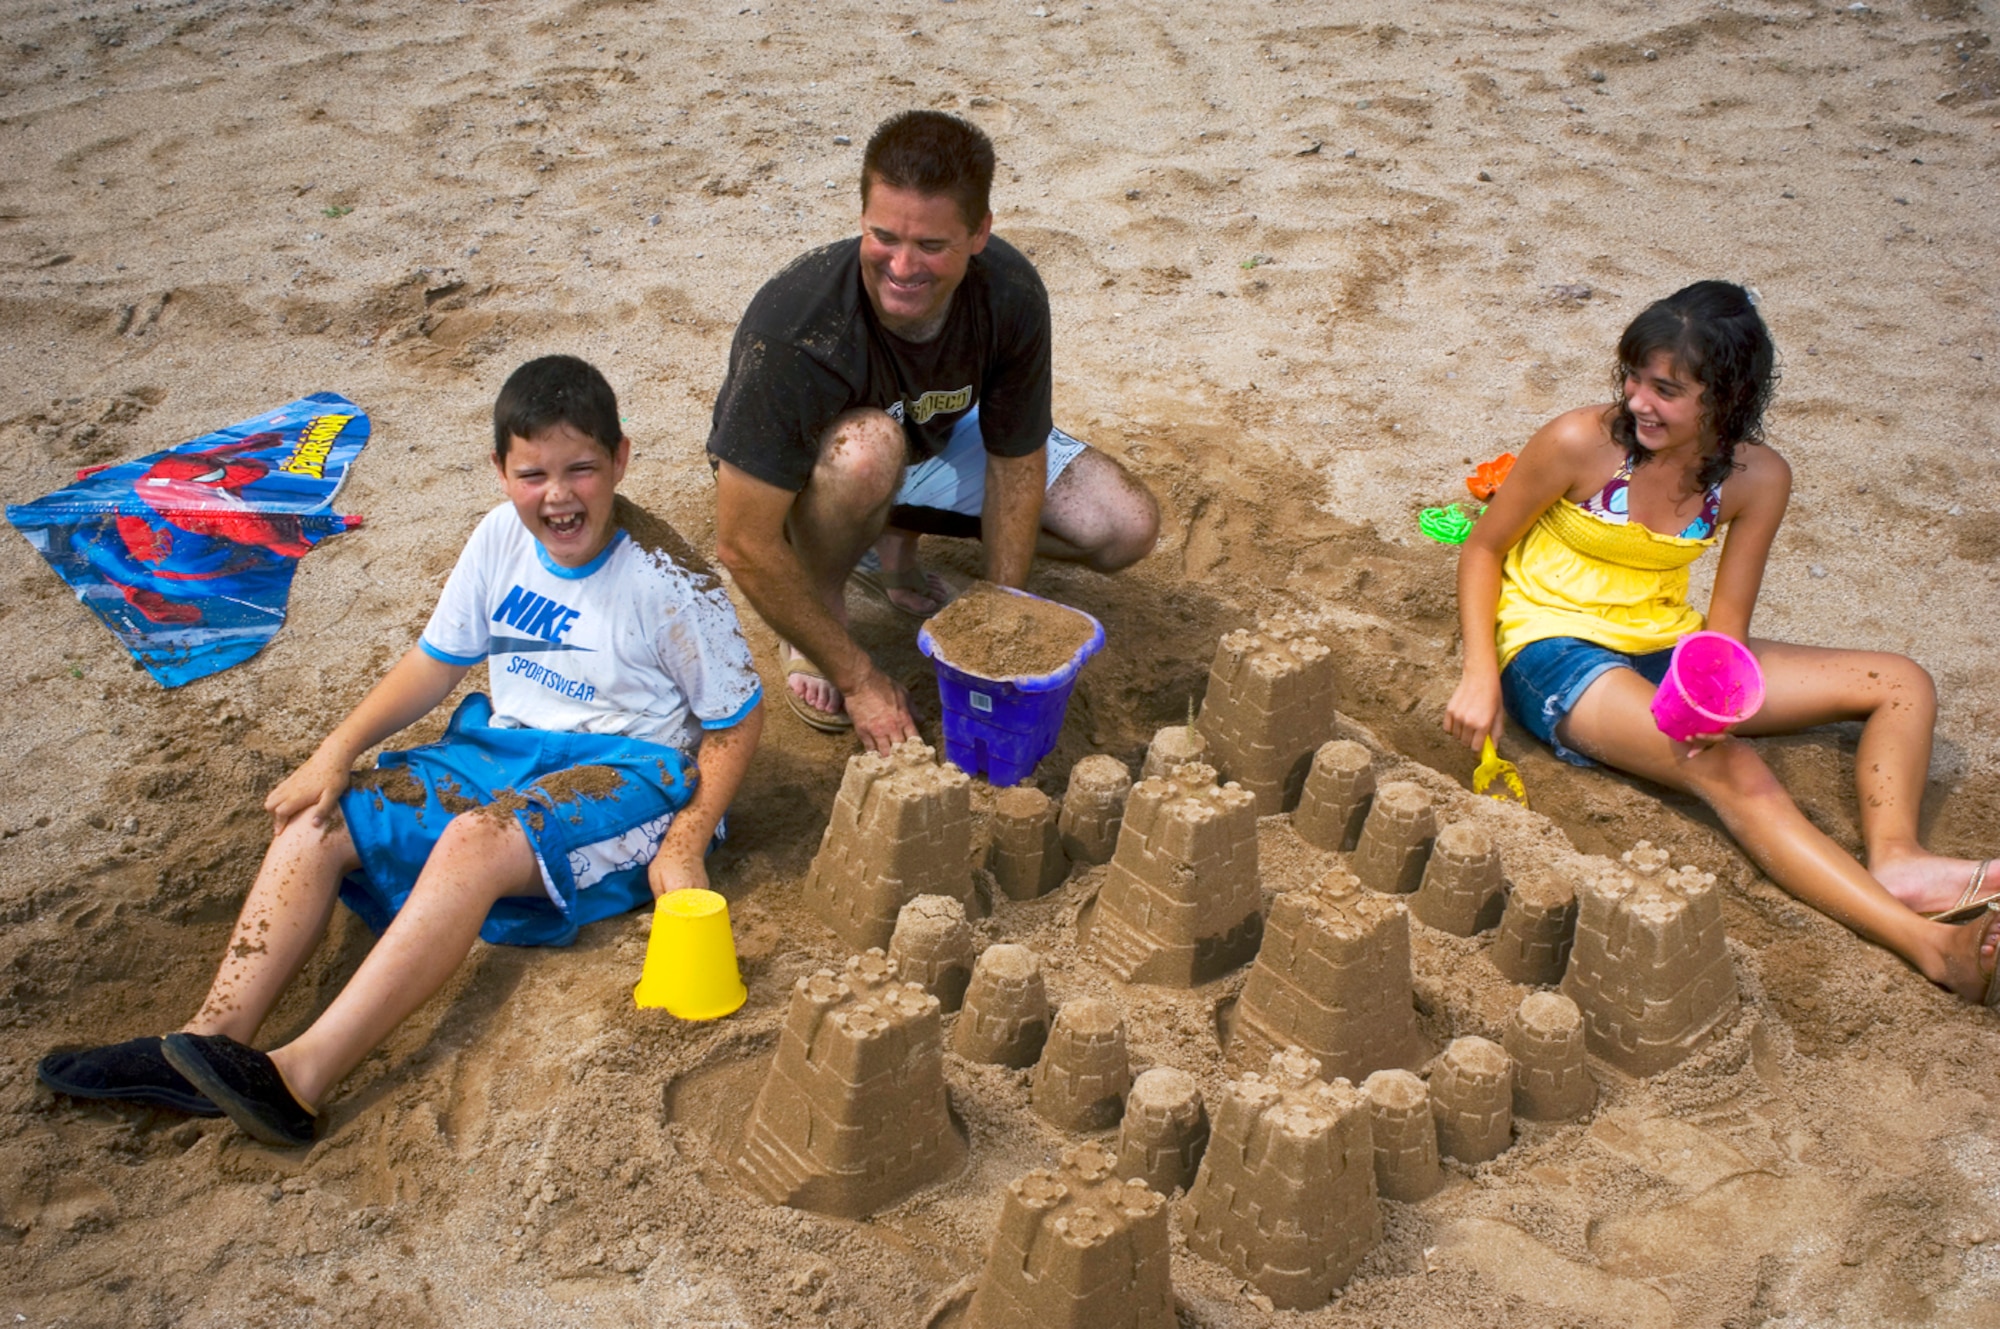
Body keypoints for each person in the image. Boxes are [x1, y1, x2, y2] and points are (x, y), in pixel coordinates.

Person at [36, 356, 765, 1144]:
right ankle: (209, 1039)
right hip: (505, 748)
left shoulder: (670, 580)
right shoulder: (498, 538)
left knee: (473, 840)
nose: (559, 495)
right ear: (500, 470)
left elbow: (735, 720)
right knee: (320, 817)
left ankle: (300, 1075)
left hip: (632, 774)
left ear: (620, 458)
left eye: (582, 468)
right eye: (534, 473)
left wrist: (687, 843)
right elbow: (433, 664)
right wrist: (333, 751)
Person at [1444, 281, 1998, 1008]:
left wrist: (1714, 696)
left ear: (1725, 397)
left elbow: (1726, 621)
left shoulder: (1755, 478)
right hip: (1554, 644)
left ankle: (1898, 859)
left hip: (1666, 642)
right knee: (1731, 769)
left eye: (1666, 388)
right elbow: (1483, 549)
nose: (1639, 400)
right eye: (1634, 377)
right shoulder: (1581, 443)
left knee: (1900, 681)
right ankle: (1930, 945)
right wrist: (1480, 672)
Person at [707, 109, 1159, 752]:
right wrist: (860, 679)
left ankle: (891, 548)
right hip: (813, 469)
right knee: (866, 452)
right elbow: (742, 541)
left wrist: (1002, 612)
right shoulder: (797, 328)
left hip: (928, 432)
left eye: (931, 246)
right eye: (883, 236)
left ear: (979, 234)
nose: (902, 266)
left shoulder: (1009, 292)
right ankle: (822, 604)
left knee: (1125, 526)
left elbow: (1015, 457)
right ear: (861, 217)